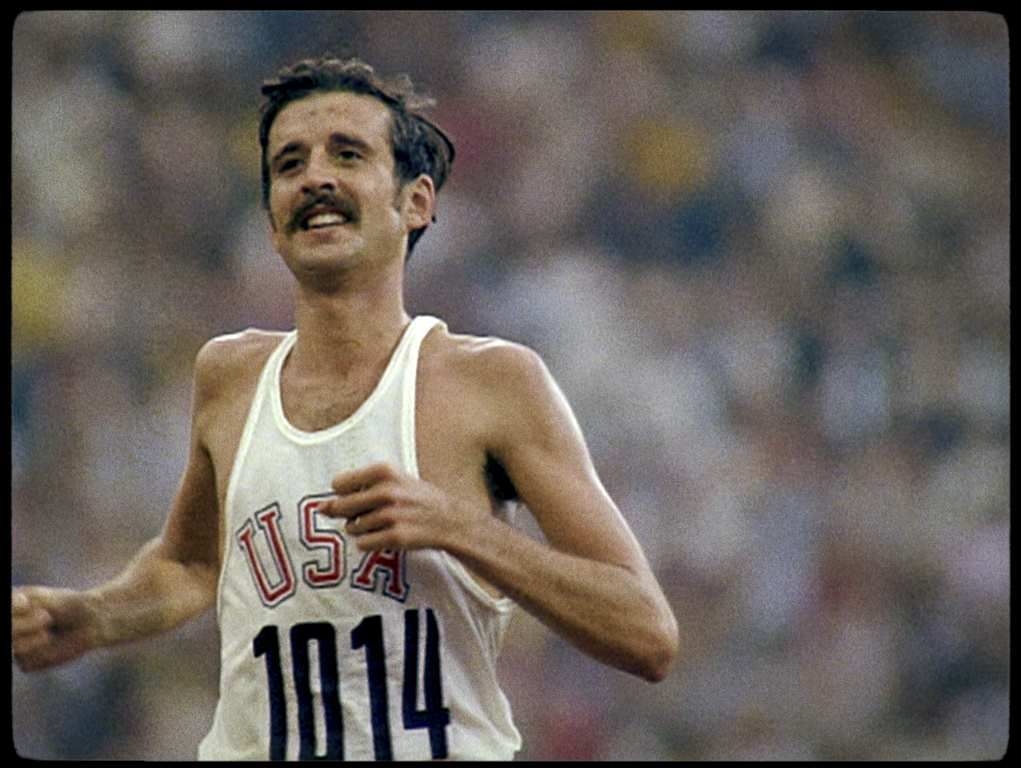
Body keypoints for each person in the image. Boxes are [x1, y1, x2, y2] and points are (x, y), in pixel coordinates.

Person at [12, 55, 679, 761]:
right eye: (289, 163)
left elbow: (646, 633)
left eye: (348, 154)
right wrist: (95, 615)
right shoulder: (229, 375)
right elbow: (193, 565)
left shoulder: (492, 382)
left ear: (415, 203)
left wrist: (459, 528)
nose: (315, 178)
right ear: (273, 223)